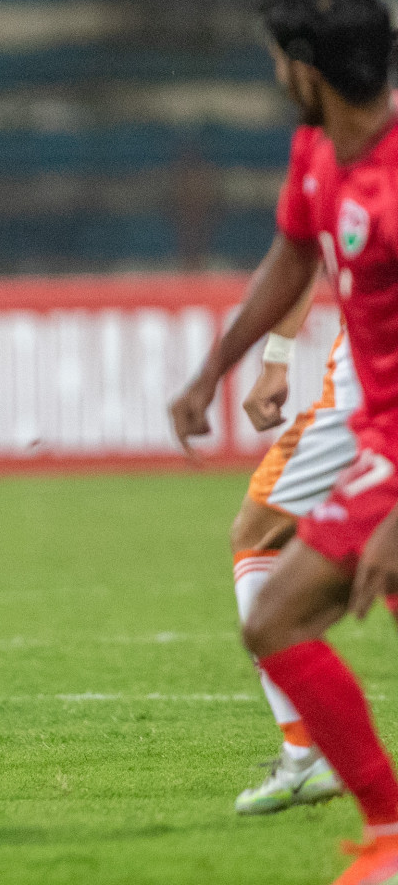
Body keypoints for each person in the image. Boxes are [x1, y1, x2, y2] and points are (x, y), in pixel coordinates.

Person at [171, 0, 398, 885]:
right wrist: (215, 369)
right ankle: (388, 836)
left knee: (279, 607)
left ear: (306, 68)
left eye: (276, 57)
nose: (272, 72)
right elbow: (291, 253)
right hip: (377, 437)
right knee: (275, 621)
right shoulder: (318, 150)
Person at [230, 276, 358, 814]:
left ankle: (304, 753)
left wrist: (273, 362)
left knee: (255, 535)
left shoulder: (352, 190)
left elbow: (302, 256)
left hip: (365, 398)